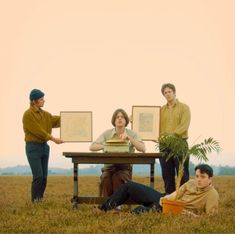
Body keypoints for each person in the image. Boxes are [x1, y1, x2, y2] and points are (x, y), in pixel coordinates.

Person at [99, 164, 219, 216]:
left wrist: (188, 214)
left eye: (202, 177)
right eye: (197, 176)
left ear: (210, 179)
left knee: (139, 211)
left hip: (174, 210)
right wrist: (164, 199)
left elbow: (210, 216)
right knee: (129, 186)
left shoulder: (212, 194)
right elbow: (177, 193)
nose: (198, 180)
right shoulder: (191, 183)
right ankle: (104, 208)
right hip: (165, 200)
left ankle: (122, 215)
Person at [89, 108, 145, 197]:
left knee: (118, 177)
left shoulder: (132, 134)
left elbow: (143, 148)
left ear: (126, 120)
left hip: (124, 168)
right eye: (117, 117)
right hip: (109, 167)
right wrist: (105, 146)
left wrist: (129, 138)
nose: (119, 119)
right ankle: (107, 204)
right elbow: (92, 147)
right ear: (114, 121)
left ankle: (117, 205)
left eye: (122, 117)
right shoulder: (107, 133)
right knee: (105, 177)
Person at [22, 89, 63, 202]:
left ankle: (39, 199)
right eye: (41, 99)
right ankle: (35, 201)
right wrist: (54, 139)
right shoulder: (28, 115)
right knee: (38, 176)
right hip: (33, 147)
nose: (44, 101)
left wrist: (72, 118)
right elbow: (39, 132)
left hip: (44, 147)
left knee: (44, 177)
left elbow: (57, 120)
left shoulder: (45, 114)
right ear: (34, 101)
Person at [159, 83, 191, 194]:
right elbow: (153, 126)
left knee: (182, 175)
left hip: (179, 143)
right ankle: (169, 200)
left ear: (174, 92)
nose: (167, 94)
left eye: (169, 92)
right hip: (164, 146)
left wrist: (170, 136)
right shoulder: (160, 110)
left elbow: (184, 126)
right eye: (165, 93)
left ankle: (184, 200)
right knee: (167, 175)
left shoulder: (184, 108)